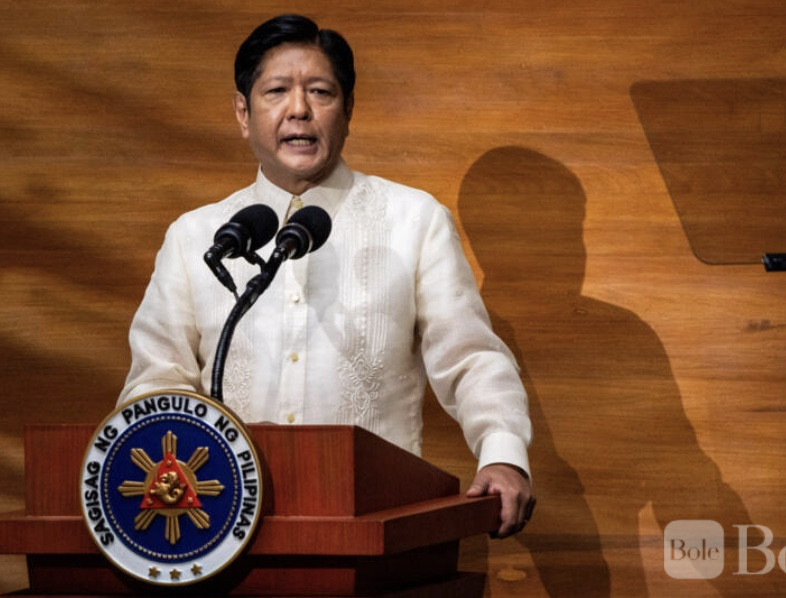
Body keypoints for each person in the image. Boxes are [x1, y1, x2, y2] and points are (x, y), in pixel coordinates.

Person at [118, 14, 534, 537]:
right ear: (243, 112)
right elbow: (157, 382)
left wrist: (503, 455)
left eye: (320, 92)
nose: (299, 109)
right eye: (276, 91)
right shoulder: (196, 237)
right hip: (224, 526)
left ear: (348, 109)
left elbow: (469, 358)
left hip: (376, 524)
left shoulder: (413, 221)